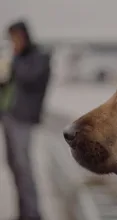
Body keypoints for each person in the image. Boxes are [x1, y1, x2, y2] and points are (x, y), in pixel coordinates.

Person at [2, 20, 51, 220]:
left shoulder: (39, 58)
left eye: (15, 38)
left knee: (24, 167)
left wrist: (12, 61)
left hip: (23, 119)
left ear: (23, 36)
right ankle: (23, 212)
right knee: (13, 166)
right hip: (8, 116)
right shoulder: (17, 59)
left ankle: (33, 214)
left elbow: (28, 78)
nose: (13, 42)